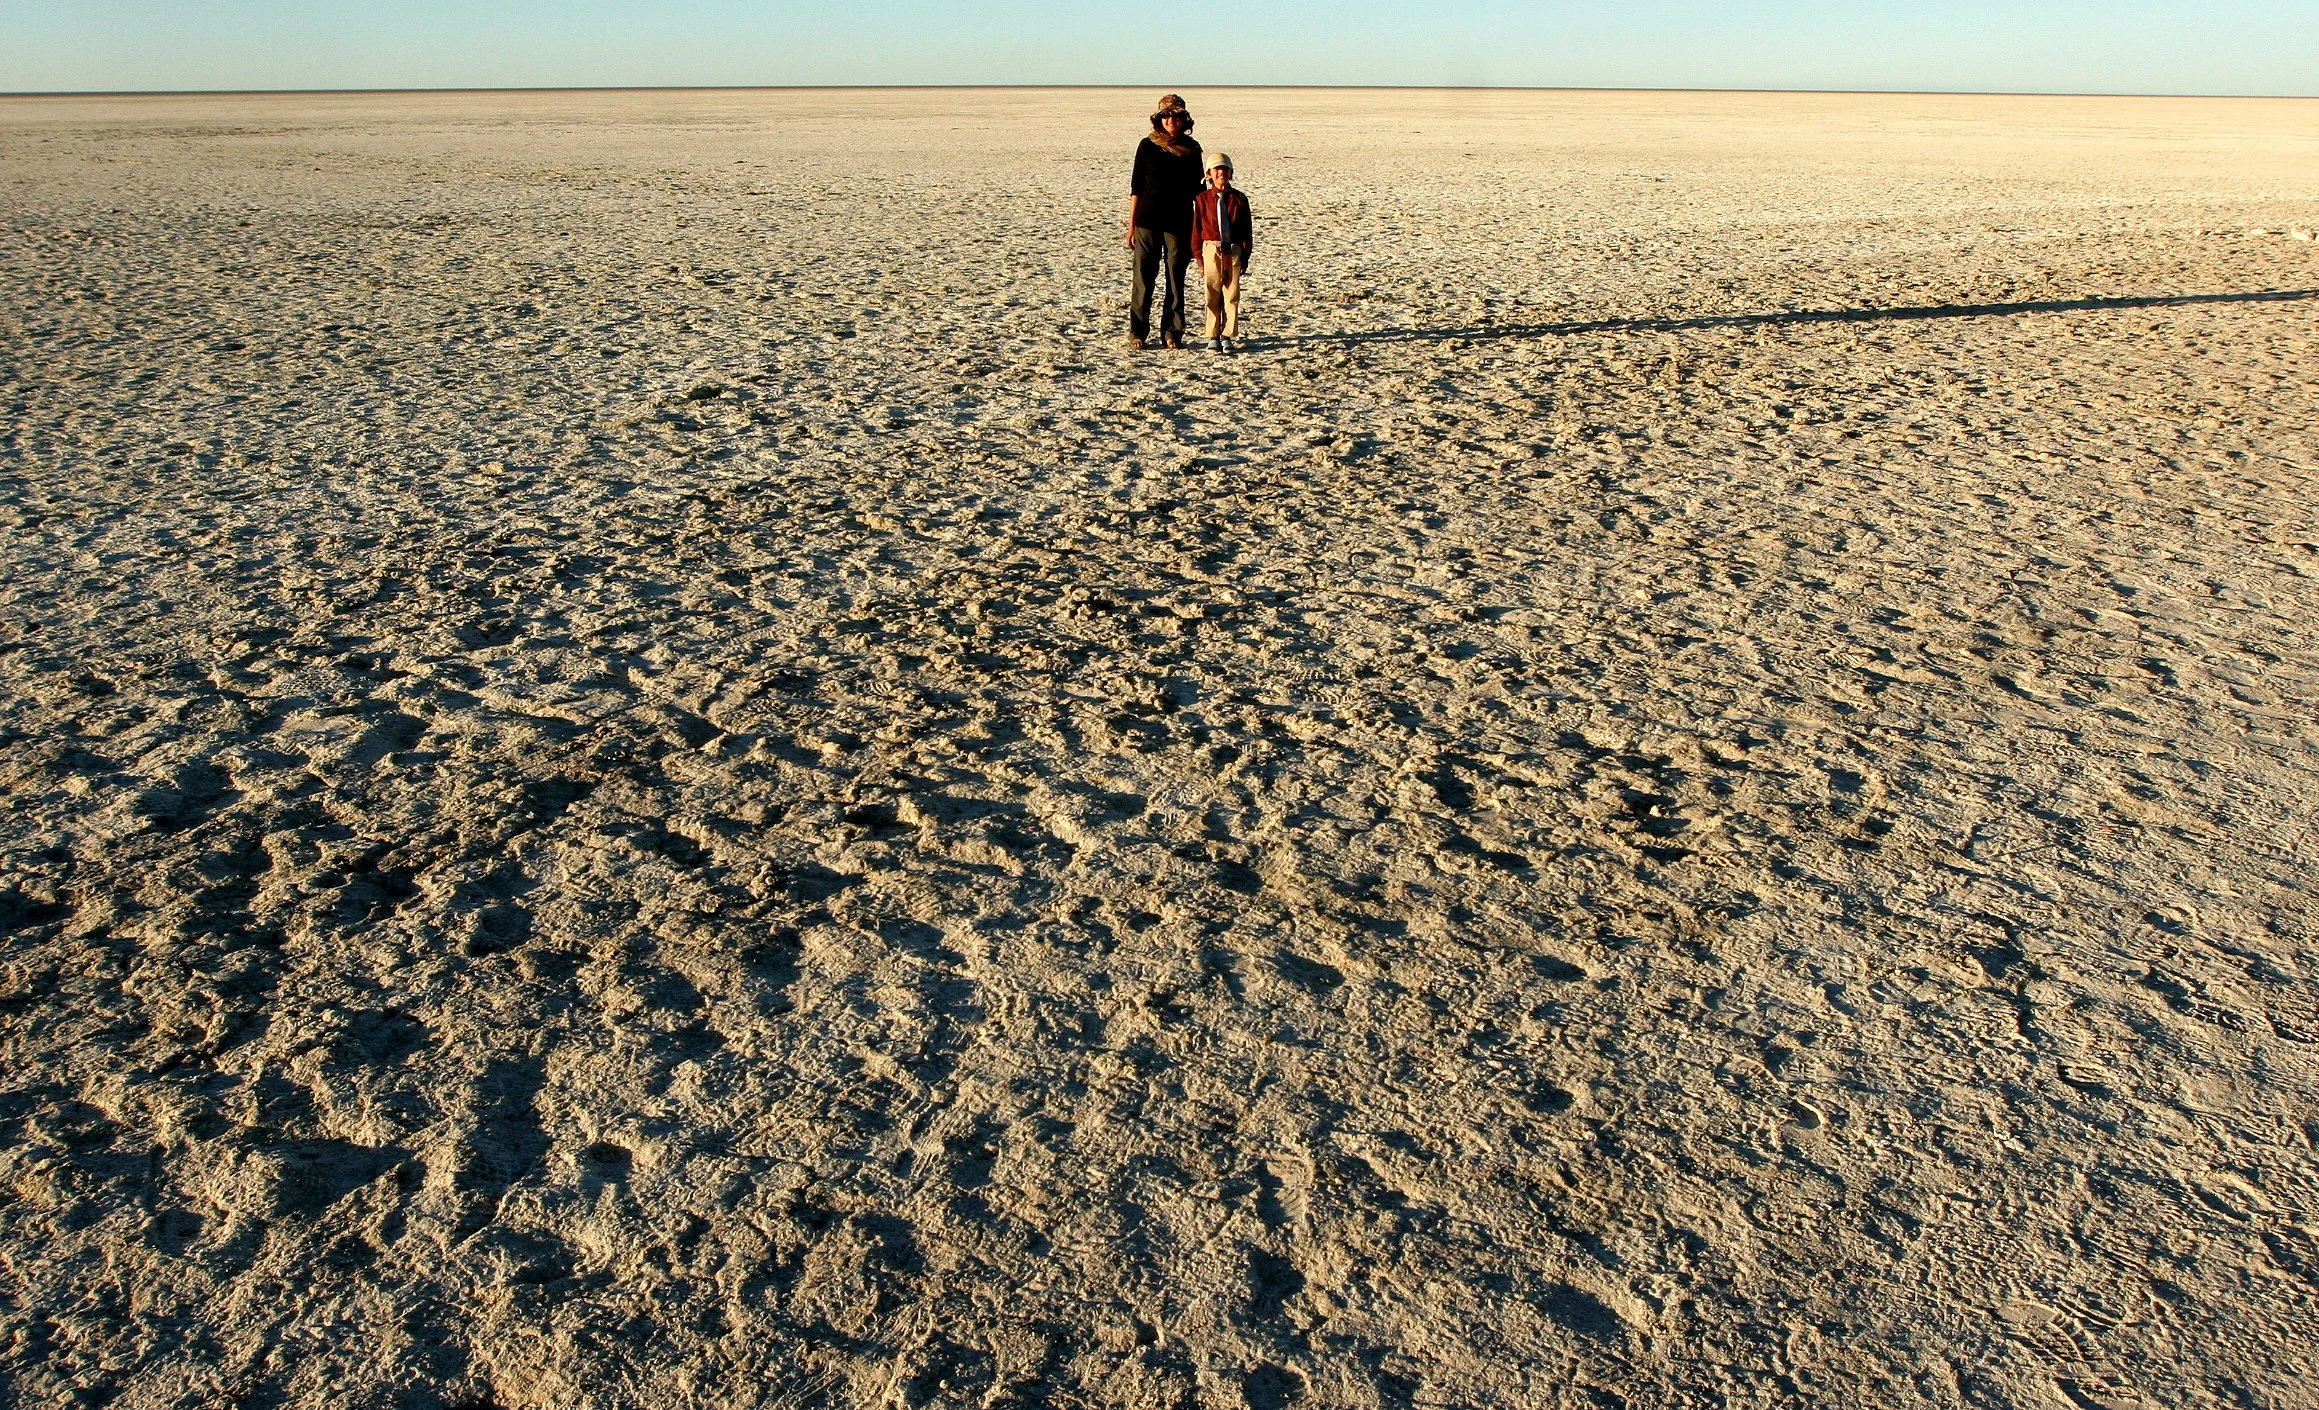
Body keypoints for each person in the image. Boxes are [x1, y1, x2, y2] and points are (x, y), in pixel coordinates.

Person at [1125, 94, 1204, 350]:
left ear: (1184, 119)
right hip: (1147, 221)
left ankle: (1172, 332)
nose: (1172, 120)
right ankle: (1138, 332)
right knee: (1143, 278)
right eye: (1167, 116)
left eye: (1177, 116)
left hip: (1180, 222)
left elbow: (1198, 191)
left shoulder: (1192, 149)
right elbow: (1137, 186)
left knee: (1175, 278)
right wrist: (1131, 225)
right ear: (1159, 119)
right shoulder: (1147, 146)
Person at [1189, 152, 1254, 353]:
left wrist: (1244, 256)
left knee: (1232, 294)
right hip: (1210, 248)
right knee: (1212, 293)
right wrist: (1199, 258)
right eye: (1217, 170)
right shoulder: (1202, 199)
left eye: (1225, 170)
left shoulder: (1239, 199)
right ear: (1209, 174)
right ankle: (1213, 334)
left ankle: (1227, 334)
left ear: (1231, 173)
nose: (1221, 174)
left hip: (1233, 249)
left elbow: (1246, 230)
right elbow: (1197, 230)